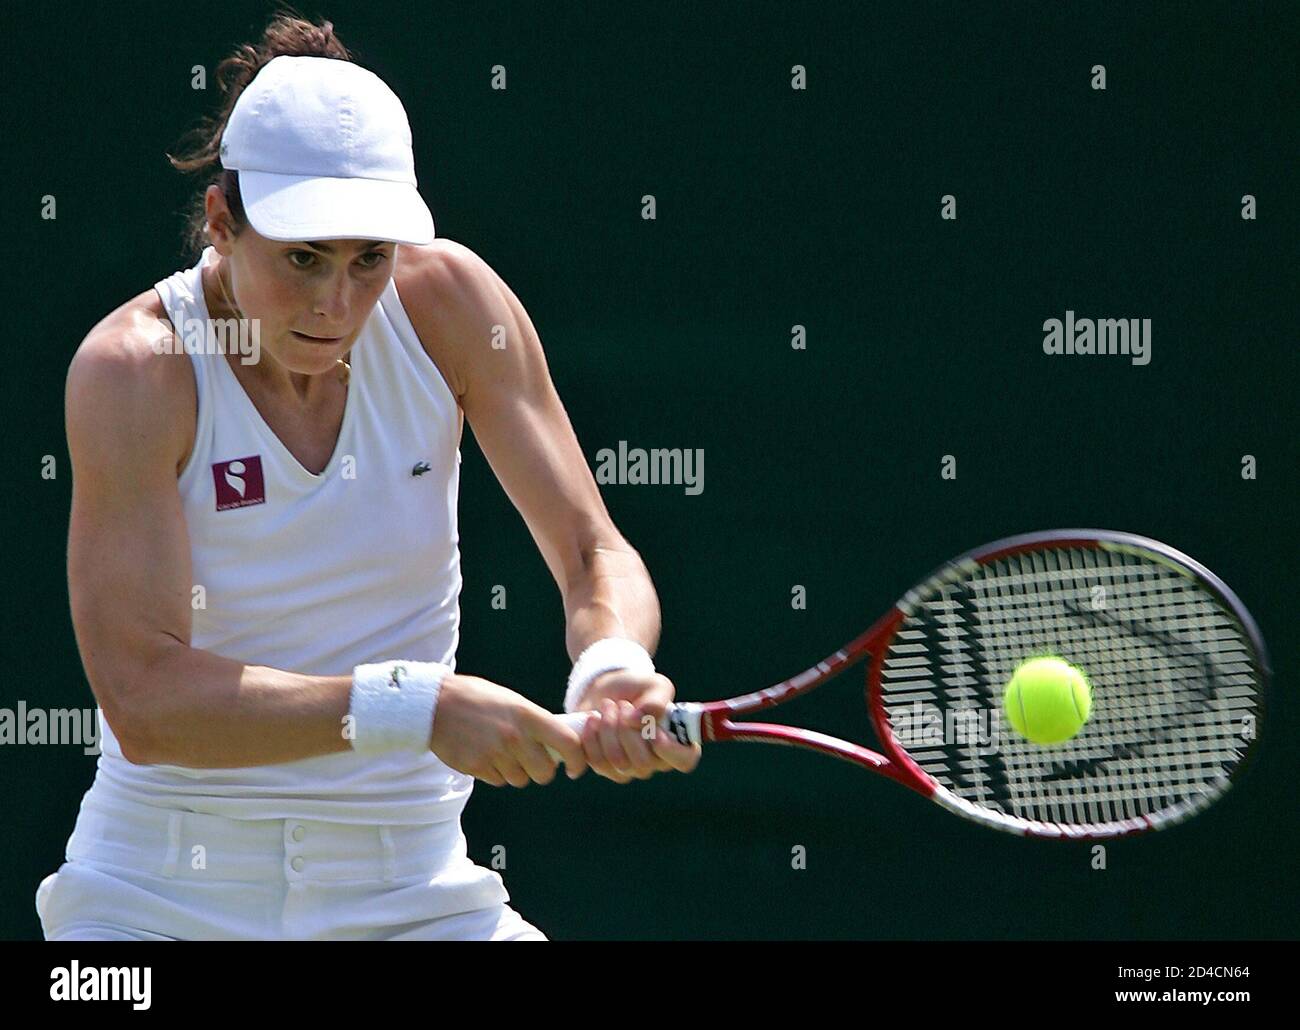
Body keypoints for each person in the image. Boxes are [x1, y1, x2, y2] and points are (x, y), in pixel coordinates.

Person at [37, 14, 698, 942]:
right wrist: (413, 705)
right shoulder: (136, 370)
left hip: (414, 893)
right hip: (156, 897)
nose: (335, 304)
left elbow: (595, 554)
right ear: (223, 221)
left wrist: (612, 663)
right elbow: (146, 701)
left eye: (368, 260)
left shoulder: (452, 306)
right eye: (303, 258)